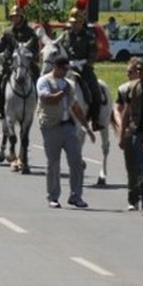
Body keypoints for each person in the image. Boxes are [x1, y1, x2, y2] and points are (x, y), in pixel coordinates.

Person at [37, 55, 95, 209]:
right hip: (51, 126)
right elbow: (46, 99)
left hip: (68, 126)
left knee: (76, 161)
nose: (65, 72)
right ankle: (53, 196)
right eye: (64, 69)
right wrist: (63, 92)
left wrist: (86, 127)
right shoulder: (44, 81)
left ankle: (76, 195)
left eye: (67, 69)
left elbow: (75, 106)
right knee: (53, 163)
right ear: (56, 67)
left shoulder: (68, 84)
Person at [115, 58, 143, 215]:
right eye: (137, 70)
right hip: (138, 132)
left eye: (142, 70)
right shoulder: (133, 88)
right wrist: (122, 134)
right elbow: (126, 112)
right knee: (142, 170)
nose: (139, 73)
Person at [61, 0, 103, 130]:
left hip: (84, 68)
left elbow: (93, 53)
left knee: (95, 91)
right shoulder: (65, 36)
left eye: (77, 22)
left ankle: (95, 119)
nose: (74, 24)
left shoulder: (89, 36)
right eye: (72, 22)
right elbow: (60, 50)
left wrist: (84, 62)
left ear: (81, 22)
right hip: (67, 68)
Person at [0, 0, 38, 117]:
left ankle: (36, 105)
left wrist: (31, 55)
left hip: (26, 62)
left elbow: (35, 50)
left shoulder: (30, 32)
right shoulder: (7, 32)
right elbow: (1, 47)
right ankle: (0, 108)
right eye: (13, 17)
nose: (15, 18)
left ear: (22, 17)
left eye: (17, 16)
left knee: (38, 77)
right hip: (9, 62)